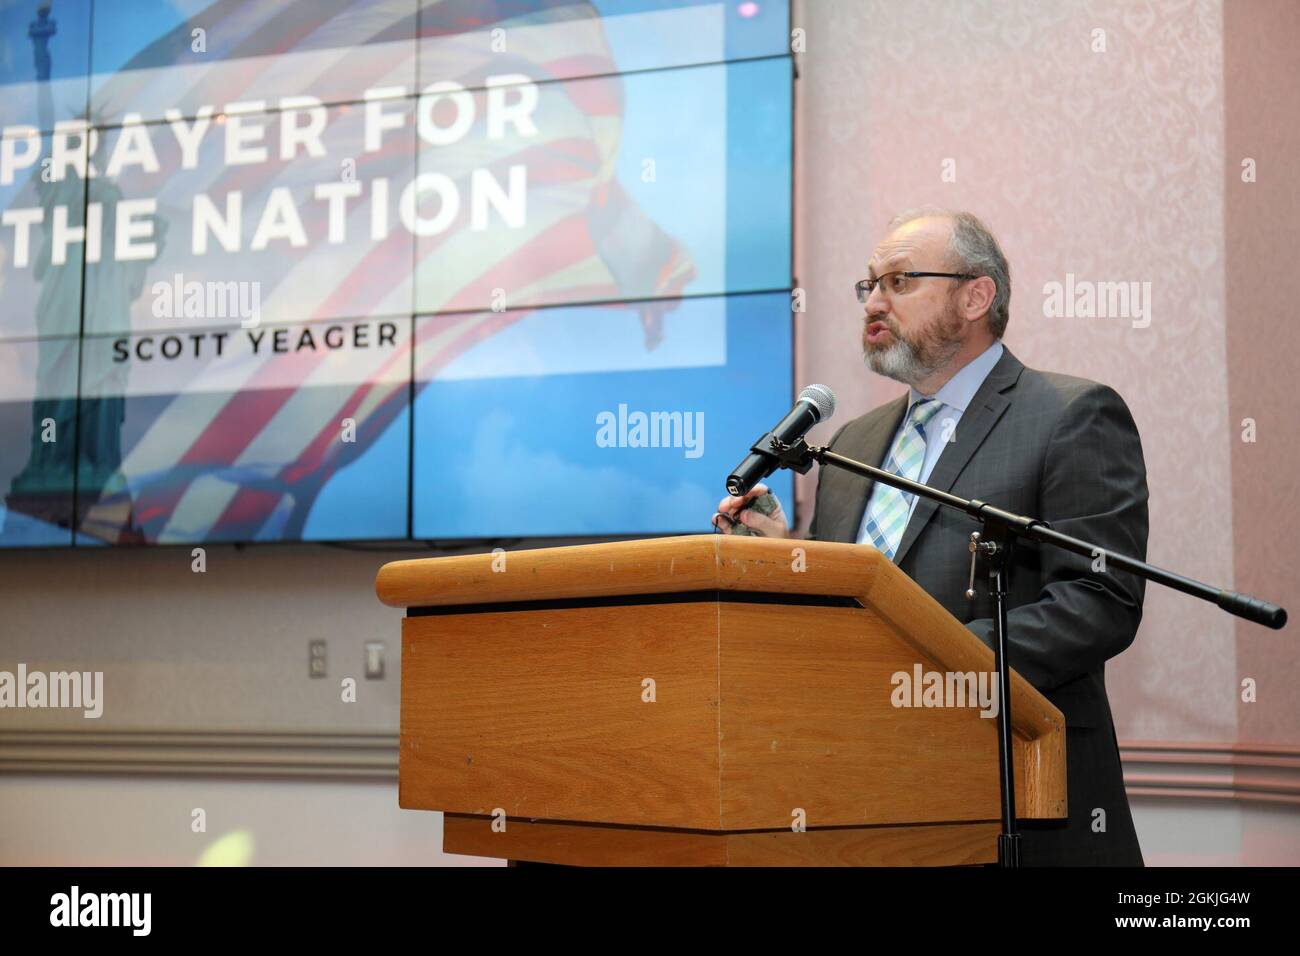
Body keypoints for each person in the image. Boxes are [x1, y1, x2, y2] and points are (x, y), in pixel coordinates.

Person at [714, 209, 1147, 866]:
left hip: (1020, 796)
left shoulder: (1069, 415)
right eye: (869, 286)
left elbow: (1099, 599)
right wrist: (784, 553)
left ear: (977, 296)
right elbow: (855, 603)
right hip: (874, 803)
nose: (875, 302)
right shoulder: (854, 442)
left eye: (898, 281)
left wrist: (925, 673)